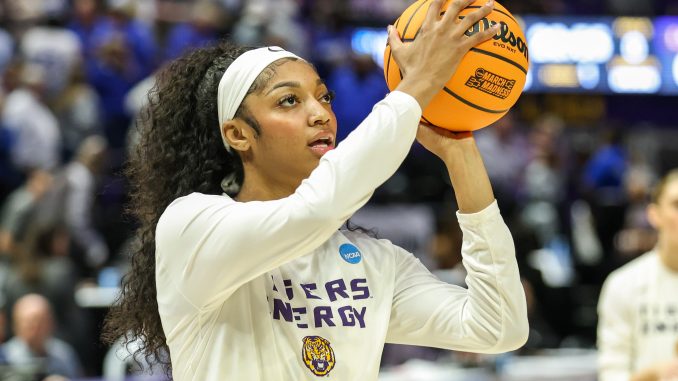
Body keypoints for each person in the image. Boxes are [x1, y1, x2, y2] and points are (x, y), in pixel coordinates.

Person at [102, 0, 529, 379]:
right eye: (289, 101)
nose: (319, 114)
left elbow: (498, 326)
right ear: (237, 134)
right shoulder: (192, 225)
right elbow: (315, 210)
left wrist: (460, 148)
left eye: (324, 98)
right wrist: (418, 86)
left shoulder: (372, 261)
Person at [597, 169, 678, 381]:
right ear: (654, 214)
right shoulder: (623, 284)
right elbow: (611, 374)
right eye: (677, 205)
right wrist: (655, 374)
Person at [2, 294, 82, 379]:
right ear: (16, 326)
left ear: (52, 323)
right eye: (30, 323)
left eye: (41, 321)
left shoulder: (64, 353)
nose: (36, 329)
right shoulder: (5, 357)